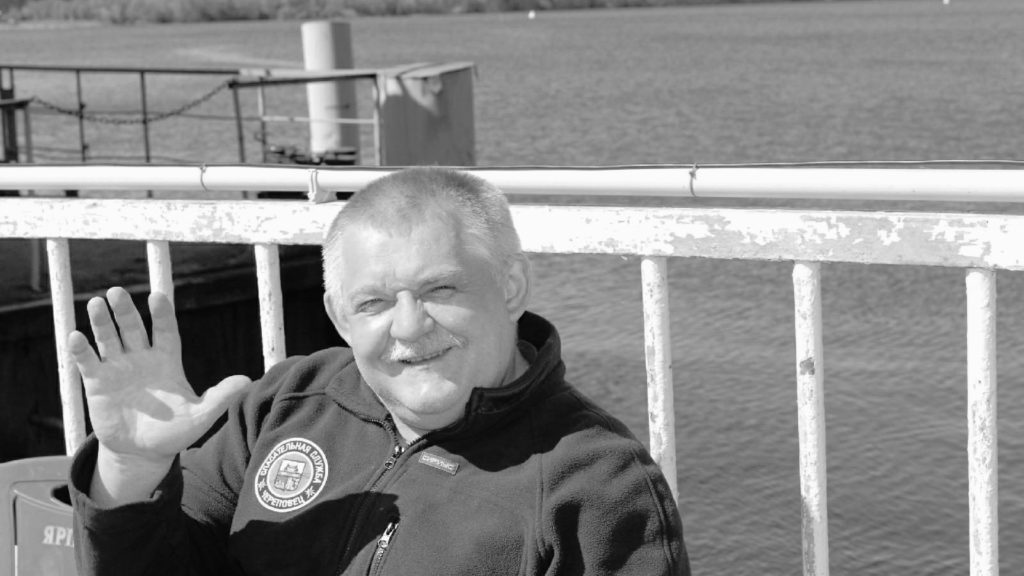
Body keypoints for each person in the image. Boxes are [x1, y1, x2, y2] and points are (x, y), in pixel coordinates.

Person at [67, 167, 691, 576]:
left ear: (511, 287)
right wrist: (133, 467)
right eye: (373, 303)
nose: (409, 327)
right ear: (339, 317)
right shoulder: (286, 404)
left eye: (440, 289)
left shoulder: (596, 483)